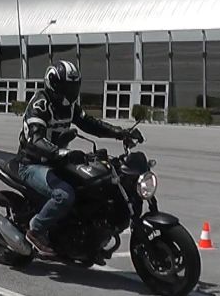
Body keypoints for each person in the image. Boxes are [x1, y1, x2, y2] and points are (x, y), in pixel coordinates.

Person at [17, 60, 143, 257]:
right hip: (32, 164)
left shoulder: (69, 106)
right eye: (67, 86)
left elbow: (90, 124)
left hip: (57, 162)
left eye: (74, 86)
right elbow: (36, 140)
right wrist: (61, 153)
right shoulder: (40, 105)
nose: (72, 91)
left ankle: (83, 236)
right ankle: (36, 230)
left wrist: (121, 133)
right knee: (64, 195)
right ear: (54, 84)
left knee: (94, 185)